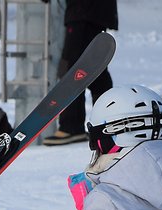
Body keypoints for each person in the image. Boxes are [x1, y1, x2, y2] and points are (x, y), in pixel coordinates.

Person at [42, 0, 117, 146]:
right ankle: (106, 119)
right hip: (89, 11)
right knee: (94, 69)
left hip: (83, 11)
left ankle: (72, 126)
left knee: (73, 68)